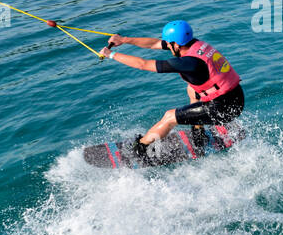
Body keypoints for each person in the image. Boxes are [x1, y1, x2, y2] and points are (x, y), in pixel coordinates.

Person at [103, 20, 244, 158]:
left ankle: (140, 149)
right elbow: (154, 43)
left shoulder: (188, 63)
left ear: (176, 45)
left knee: (170, 117)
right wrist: (124, 40)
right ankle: (198, 133)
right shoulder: (195, 44)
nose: (168, 48)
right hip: (235, 96)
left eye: (170, 45)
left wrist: (111, 54)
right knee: (191, 89)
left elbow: (143, 64)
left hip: (225, 108)